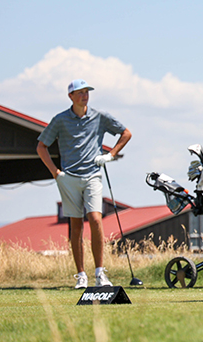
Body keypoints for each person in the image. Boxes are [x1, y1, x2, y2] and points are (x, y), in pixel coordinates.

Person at [36, 79, 132, 289]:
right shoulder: (60, 120)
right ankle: (81, 275)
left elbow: (126, 133)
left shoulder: (99, 117)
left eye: (87, 92)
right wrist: (55, 173)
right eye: (79, 93)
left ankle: (100, 274)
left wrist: (110, 155)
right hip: (68, 177)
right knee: (76, 225)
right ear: (70, 96)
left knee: (96, 219)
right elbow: (41, 146)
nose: (84, 95)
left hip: (92, 175)